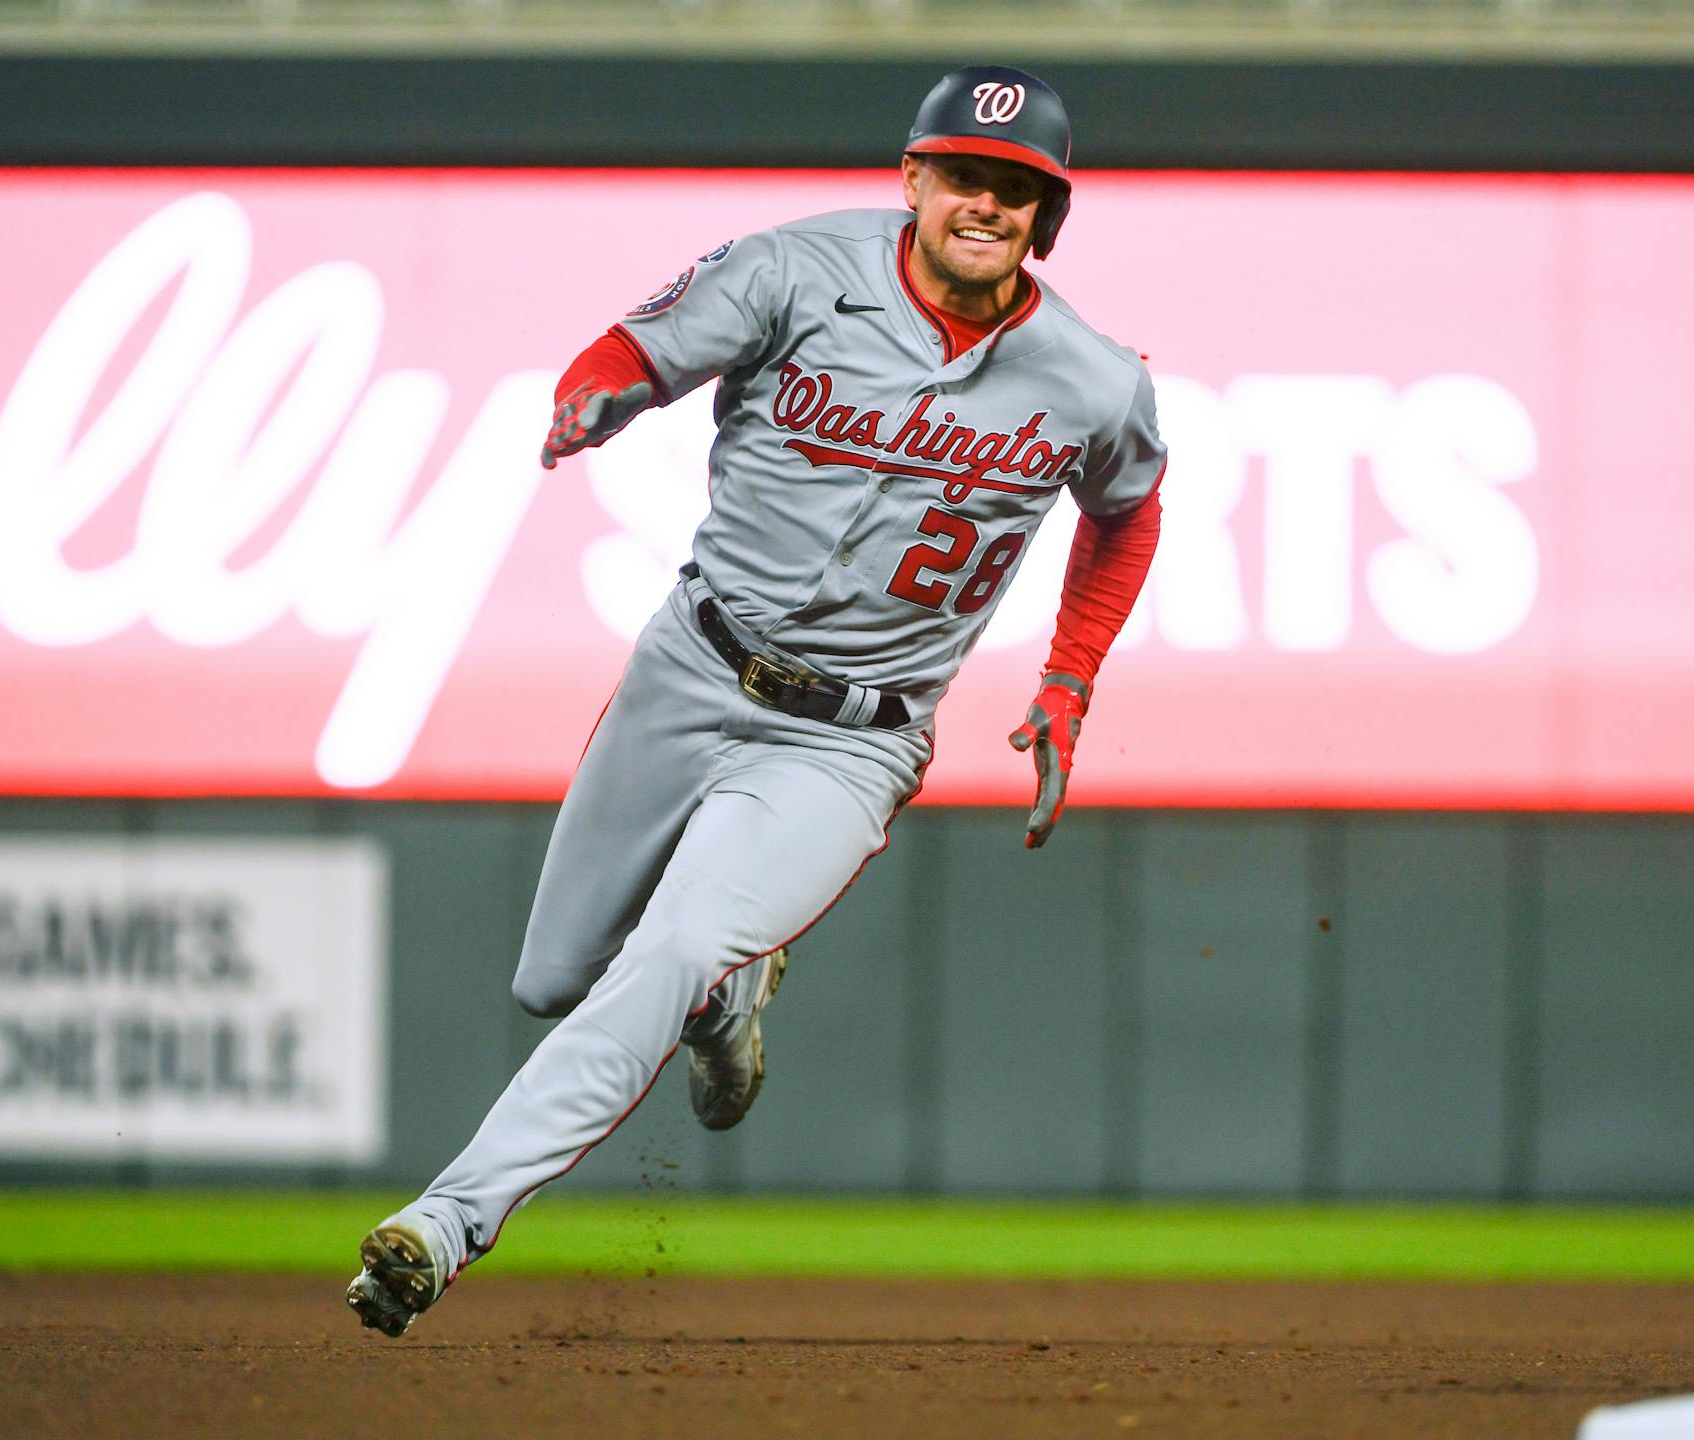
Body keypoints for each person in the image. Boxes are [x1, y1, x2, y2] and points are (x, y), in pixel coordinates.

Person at [344, 64, 1166, 1336]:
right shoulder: (793, 269)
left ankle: (443, 1224)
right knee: (555, 978)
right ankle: (729, 996)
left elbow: (1126, 512)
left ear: (1049, 214)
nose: (987, 203)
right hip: (692, 663)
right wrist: (595, 394)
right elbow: (635, 343)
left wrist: (1069, 679)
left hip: (847, 740)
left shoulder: (1093, 378)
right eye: (965, 174)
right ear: (914, 179)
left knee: (664, 953)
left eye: (1019, 187)